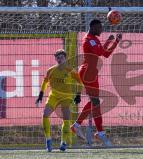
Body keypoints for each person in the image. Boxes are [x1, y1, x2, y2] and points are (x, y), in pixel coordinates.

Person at [70, 19, 122, 147]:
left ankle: (77, 125)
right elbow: (100, 52)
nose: (101, 30)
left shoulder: (95, 39)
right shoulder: (88, 39)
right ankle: (100, 132)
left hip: (93, 73)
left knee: (94, 102)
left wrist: (115, 41)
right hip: (87, 73)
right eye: (99, 27)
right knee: (96, 102)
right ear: (93, 27)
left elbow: (106, 54)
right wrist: (109, 41)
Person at [35, 49, 83, 152]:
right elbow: (45, 82)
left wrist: (78, 95)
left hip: (66, 96)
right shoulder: (51, 70)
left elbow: (80, 82)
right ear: (55, 59)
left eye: (61, 57)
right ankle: (48, 140)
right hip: (54, 96)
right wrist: (41, 94)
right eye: (57, 57)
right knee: (45, 114)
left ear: (65, 58)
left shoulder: (71, 70)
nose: (59, 59)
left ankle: (63, 142)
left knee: (66, 117)